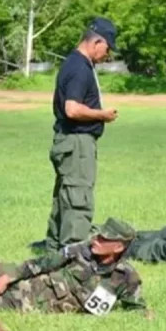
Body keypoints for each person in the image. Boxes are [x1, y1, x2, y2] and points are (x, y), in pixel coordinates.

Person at [0, 218, 144, 315]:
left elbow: (137, 308)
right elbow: (41, 263)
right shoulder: (81, 250)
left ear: (118, 247)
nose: (96, 241)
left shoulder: (126, 277)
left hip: (22, 303)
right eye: (97, 236)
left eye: (103, 240)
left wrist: (145, 314)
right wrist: (8, 277)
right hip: (24, 282)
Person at [42, 17, 119, 251]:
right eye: (107, 49)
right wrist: (102, 115)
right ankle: (73, 254)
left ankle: (54, 250)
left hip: (69, 140)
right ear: (96, 42)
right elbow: (72, 109)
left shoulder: (75, 63)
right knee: (78, 199)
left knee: (64, 198)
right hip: (77, 142)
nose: (107, 55)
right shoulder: (79, 68)